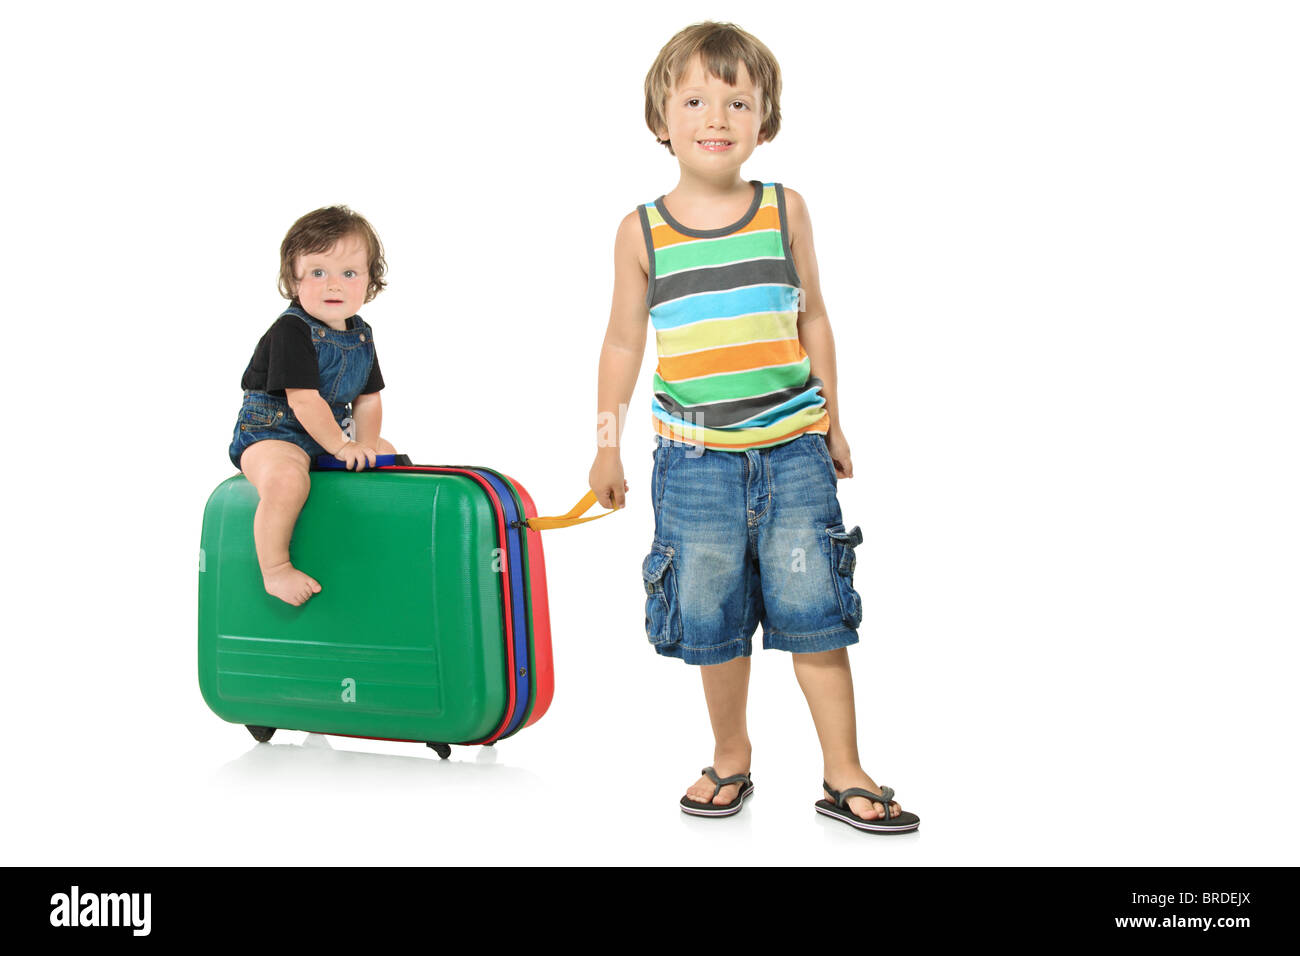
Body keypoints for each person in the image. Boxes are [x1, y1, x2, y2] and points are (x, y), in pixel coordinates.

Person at [588, 22, 920, 832]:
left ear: (764, 120)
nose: (717, 116)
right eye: (696, 99)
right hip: (694, 461)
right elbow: (624, 341)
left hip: (795, 454)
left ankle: (843, 770)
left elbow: (815, 319)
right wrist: (605, 442)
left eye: (738, 101)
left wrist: (833, 418)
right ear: (660, 119)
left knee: (815, 611)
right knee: (712, 620)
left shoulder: (785, 210)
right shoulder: (643, 230)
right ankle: (731, 756)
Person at [228, 206, 396, 607]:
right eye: (318, 272)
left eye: (349, 273)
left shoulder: (361, 335)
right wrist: (342, 447)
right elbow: (303, 399)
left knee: (388, 455)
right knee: (288, 480)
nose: (332, 285)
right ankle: (275, 568)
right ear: (293, 279)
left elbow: (368, 399)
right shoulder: (292, 330)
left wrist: (366, 447)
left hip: (327, 433)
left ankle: (370, 544)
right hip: (271, 432)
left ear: (369, 282)